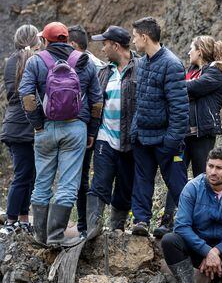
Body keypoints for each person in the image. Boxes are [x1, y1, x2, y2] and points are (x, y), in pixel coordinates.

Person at [19, 21, 103, 247]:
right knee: (67, 183)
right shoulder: (83, 61)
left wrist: (37, 123)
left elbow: (26, 95)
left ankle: (40, 236)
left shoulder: (36, 61)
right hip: (76, 128)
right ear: (66, 40)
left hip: (45, 128)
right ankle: (56, 236)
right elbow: (96, 101)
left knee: (42, 182)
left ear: (45, 40)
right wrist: (92, 129)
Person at [154, 36, 222, 239]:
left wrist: (173, 86)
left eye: (191, 48)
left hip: (202, 135)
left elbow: (191, 88)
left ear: (200, 51)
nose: (188, 52)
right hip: (182, 135)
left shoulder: (214, 73)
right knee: (175, 176)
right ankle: (168, 222)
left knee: (202, 177)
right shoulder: (190, 72)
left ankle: (205, 223)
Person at [161, 147, 222, 283]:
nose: (213, 172)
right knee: (169, 240)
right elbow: (182, 226)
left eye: (219, 168)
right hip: (196, 250)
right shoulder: (192, 188)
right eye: (210, 166)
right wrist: (207, 251)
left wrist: (217, 251)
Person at [130, 17, 189, 237]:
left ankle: (186, 224)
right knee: (142, 181)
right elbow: (140, 100)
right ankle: (141, 221)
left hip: (165, 139)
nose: (134, 41)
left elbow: (179, 107)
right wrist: (135, 131)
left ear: (145, 37)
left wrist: (172, 140)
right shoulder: (142, 62)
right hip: (143, 138)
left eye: (135, 37)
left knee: (177, 184)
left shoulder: (171, 64)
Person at [86, 25, 138, 240]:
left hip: (131, 140)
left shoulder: (141, 68)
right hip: (104, 138)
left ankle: (117, 228)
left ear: (116, 45)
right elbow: (94, 105)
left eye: (105, 45)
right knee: (99, 183)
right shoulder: (104, 72)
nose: (103, 49)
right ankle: (92, 229)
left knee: (126, 186)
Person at [0, 25, 41, 234]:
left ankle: (23, 218)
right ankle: (11, 220)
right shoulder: (34, 61)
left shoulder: (10, 62)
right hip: (22, 126)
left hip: (12, 124)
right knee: (23, 174)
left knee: (27, 174)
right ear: (35, 40)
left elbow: (11, 94)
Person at [68, 24, 106, 238]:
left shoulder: (63, 63)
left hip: (65, 127)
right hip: (89, 129)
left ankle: (58, 227)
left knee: (68, 178)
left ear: (73, 44)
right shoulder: (99, 65)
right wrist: (93, 130)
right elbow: (97, 102)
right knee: (83, 177)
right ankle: (84, 225)